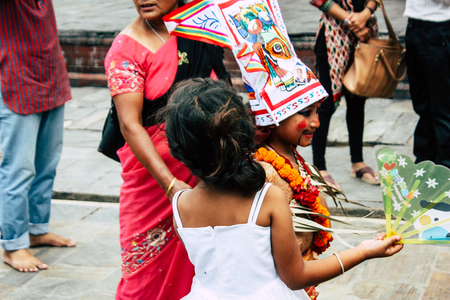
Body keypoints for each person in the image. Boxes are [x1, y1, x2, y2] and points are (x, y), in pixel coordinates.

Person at [164, 78, 403, 299]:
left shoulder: (179, 206)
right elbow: (295, 276)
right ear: (244, 131)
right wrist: (363, 251)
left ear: (179, 151)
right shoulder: (267, 198)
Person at [104, 0, 230, 298]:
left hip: (206, 174)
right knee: (143, 277)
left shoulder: (201, 30)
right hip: (154, 182)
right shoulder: (125, 49)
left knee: (205, 268)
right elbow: (130, 125)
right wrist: (171, 186)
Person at [0, 0, 76, 273]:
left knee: (46, 165)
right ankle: (12, 244)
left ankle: (36, 229)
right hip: (16, 81)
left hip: (51, 74)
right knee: (18, 169)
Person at [310, 0, 381, 189]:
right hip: (333, 36)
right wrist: (353, 22)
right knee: (324, 106)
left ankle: (357, 162)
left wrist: (366, 13)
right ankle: (319, 168)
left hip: (365, 34)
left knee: (357, 100)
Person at [404, 0, 450, 168]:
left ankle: (445, 173)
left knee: (442, 109)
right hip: (414, 27)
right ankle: (424, 169)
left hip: (439, 29)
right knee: (423, 107)